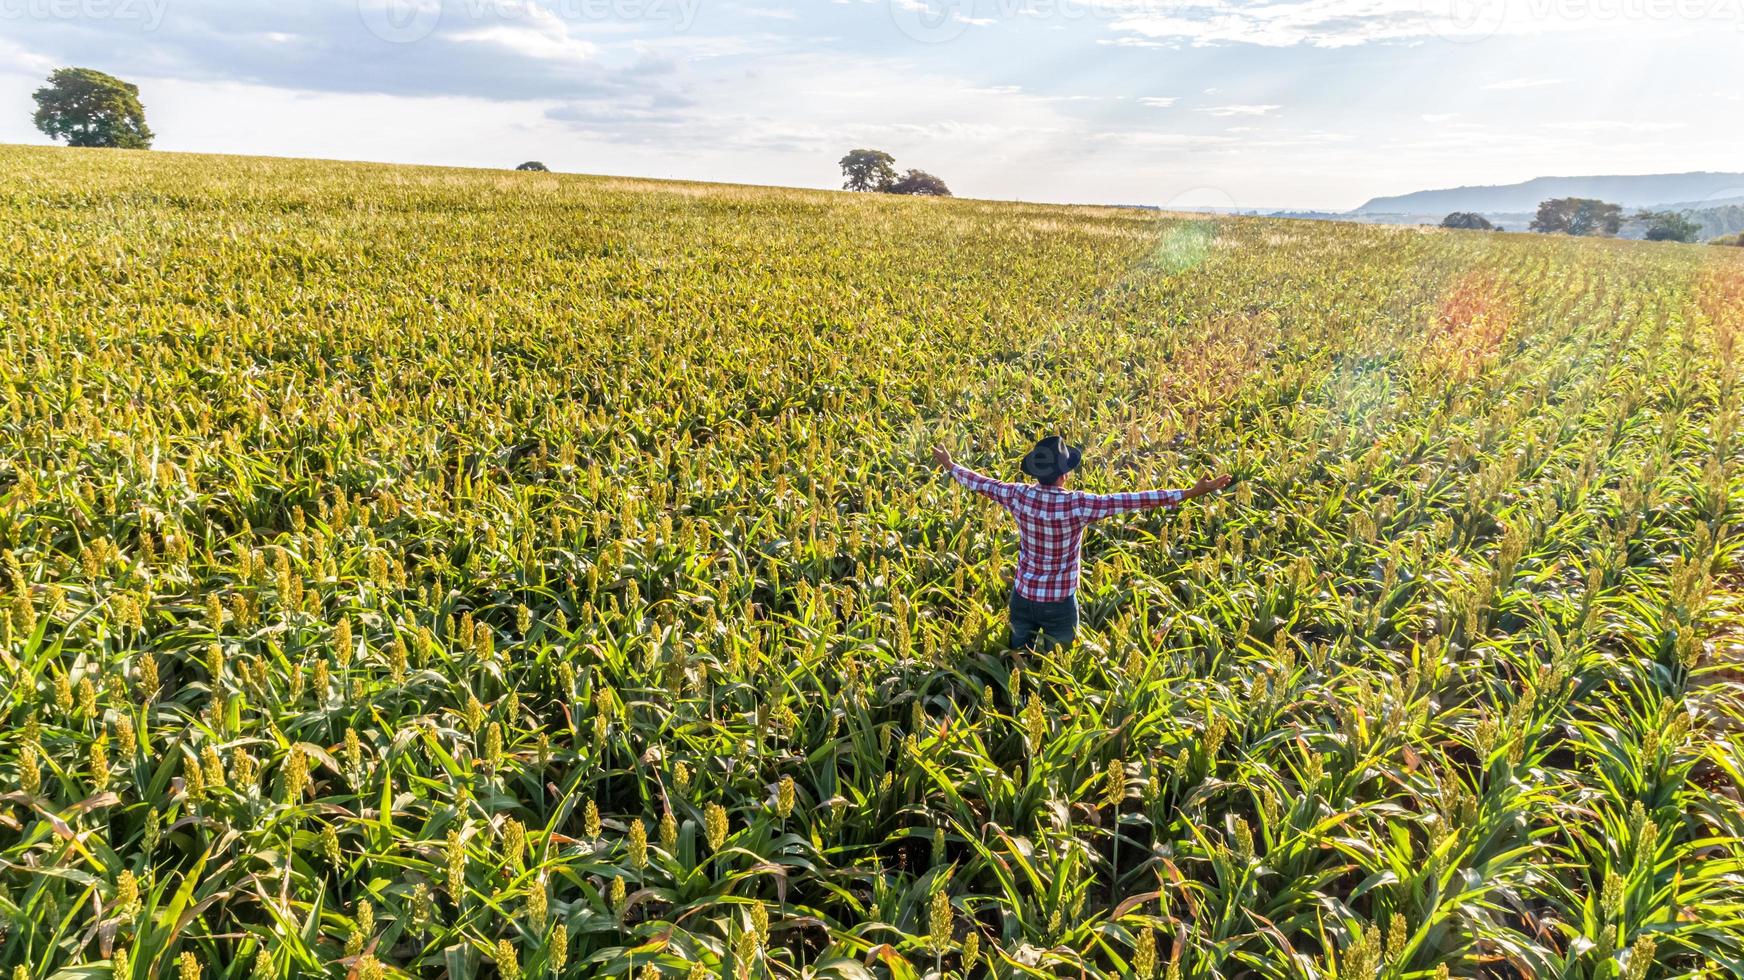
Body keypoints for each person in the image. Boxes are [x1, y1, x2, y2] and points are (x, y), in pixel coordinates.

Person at [934, 435, 1231, 650]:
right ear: (1064, 475)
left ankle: (1015, 696)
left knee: (1016, 652)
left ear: (1037, 474)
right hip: (1060, 602)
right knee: (1059, 662)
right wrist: (1190, 492)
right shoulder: (1078, 505)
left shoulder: (1017, 495)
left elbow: (980, 482)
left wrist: (951, 465)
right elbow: (1131, 501)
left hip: (1023, 596)